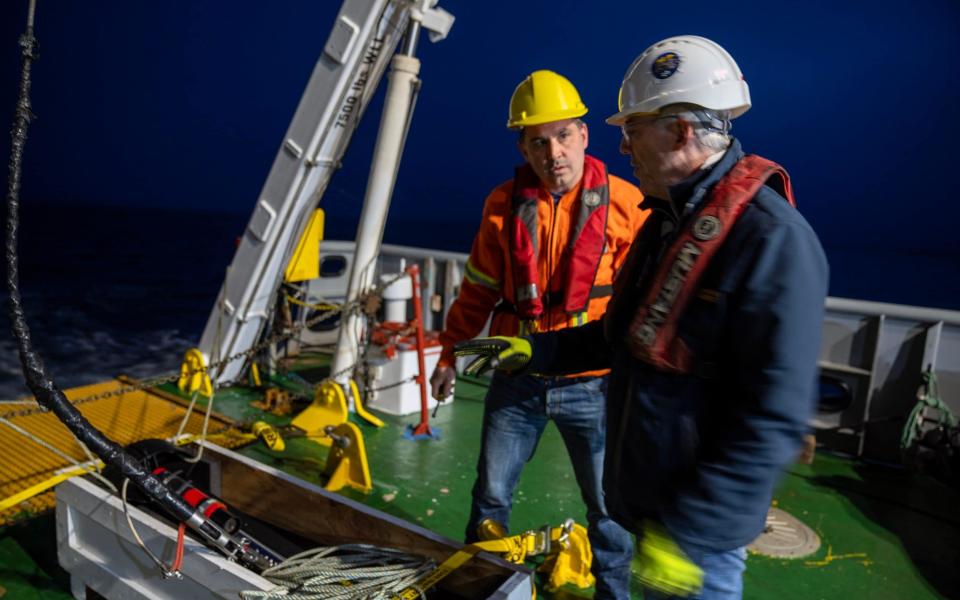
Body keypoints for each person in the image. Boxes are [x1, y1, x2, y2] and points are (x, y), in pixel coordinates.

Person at [454, 36, 829, 599]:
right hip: (653, 508)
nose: (623, 145)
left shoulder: (771, 239)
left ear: (679, 132)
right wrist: (540, 351)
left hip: (690, 541)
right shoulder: (670, 222)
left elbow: (771, 418)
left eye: (632, 130)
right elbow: (623, 335)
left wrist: (690, 536)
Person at [429, 69, 647, 598]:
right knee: (490, 500)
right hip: (518, 380)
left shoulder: (627, 203)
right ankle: (480, 586)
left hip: (594, 383)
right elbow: (478, 289)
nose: (554, 153)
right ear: (524, 147)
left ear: (585, 134)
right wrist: (447, 355)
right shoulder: (501, 206)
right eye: (538, 141)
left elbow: (644, 304)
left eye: (564, 135)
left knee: (609, 509)